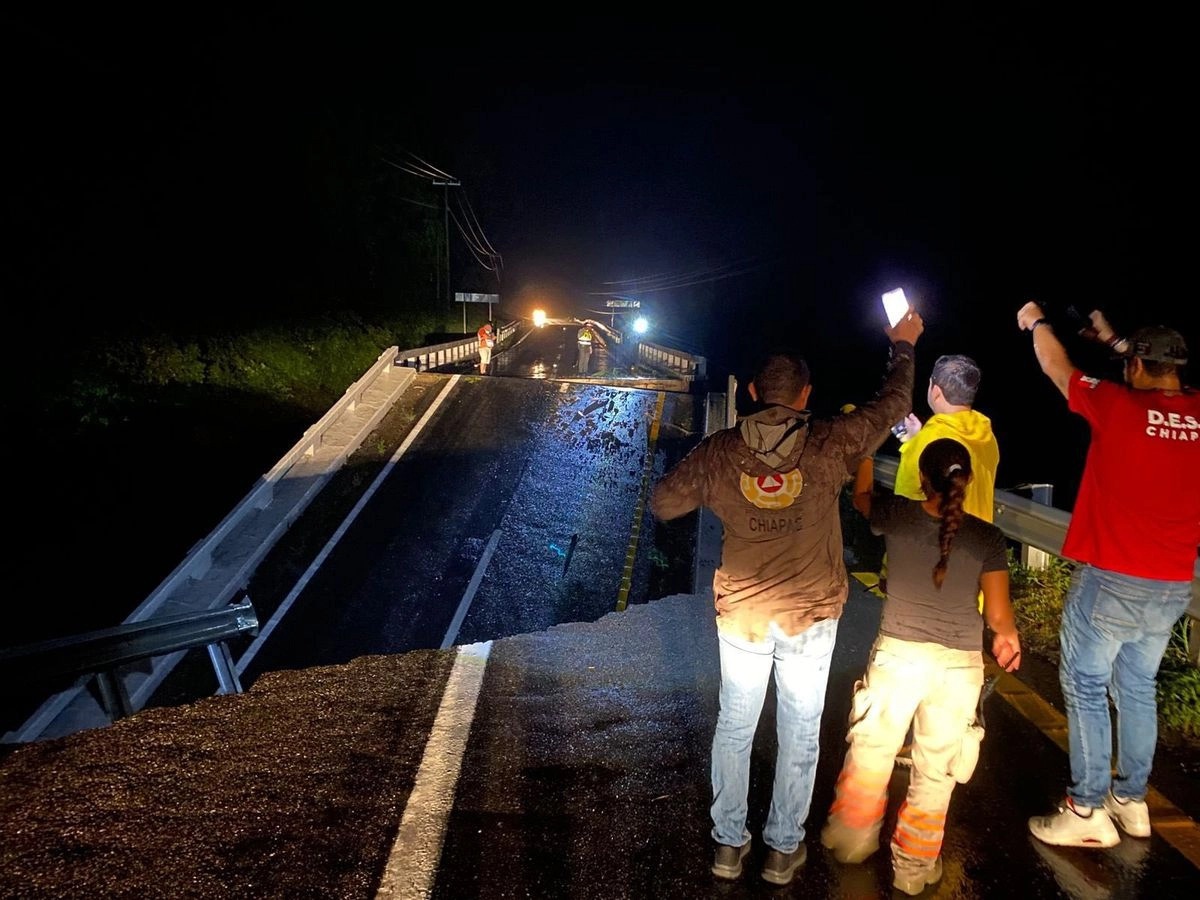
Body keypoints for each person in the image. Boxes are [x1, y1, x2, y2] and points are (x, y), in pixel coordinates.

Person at [649, 306, 925, 886]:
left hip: (743, 617)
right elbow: (894, 406)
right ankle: (781, 851)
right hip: (810, 614)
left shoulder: (721, 450)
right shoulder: (830, 440)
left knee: (735, 727)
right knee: (800, 729)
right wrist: (901, 346)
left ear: (751, 392)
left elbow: (664, 503)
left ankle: (728, 845)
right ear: (806, 395)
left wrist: (719, 488)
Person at [1017, 301, 1200, 849]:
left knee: (1086, 686)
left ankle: (1087, 807)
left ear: (1137, 369)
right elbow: (1154, 384)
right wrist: (1117, 342)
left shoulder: (1117, 405)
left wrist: (1036, 323)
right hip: (1172, 582)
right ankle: (1132, 799)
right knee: (1137, 686)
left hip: (1114, 578)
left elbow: (1057, 368)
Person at [819, 438, 1021, 895]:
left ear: (921, 480)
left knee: (873, 749)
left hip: (899, 656)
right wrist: (1009, 640)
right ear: (967, 481)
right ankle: (913, 868)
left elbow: (861, 499)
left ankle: (853, 838)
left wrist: (867, 457)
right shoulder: (986, 538)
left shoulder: (899, 515)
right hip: (959, 668)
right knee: (936, 770)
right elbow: (998, 618)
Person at [887, 354, 1000, 765]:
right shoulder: (987, 437)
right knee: (959, 661)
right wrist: (918, 437)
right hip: (977, 572)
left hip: (929, 576)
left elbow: (908, 508)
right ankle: (962, 731)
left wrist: (913, 445)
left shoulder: (927, 445)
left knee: (919, 665)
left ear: (934, 390)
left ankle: (920, 744)